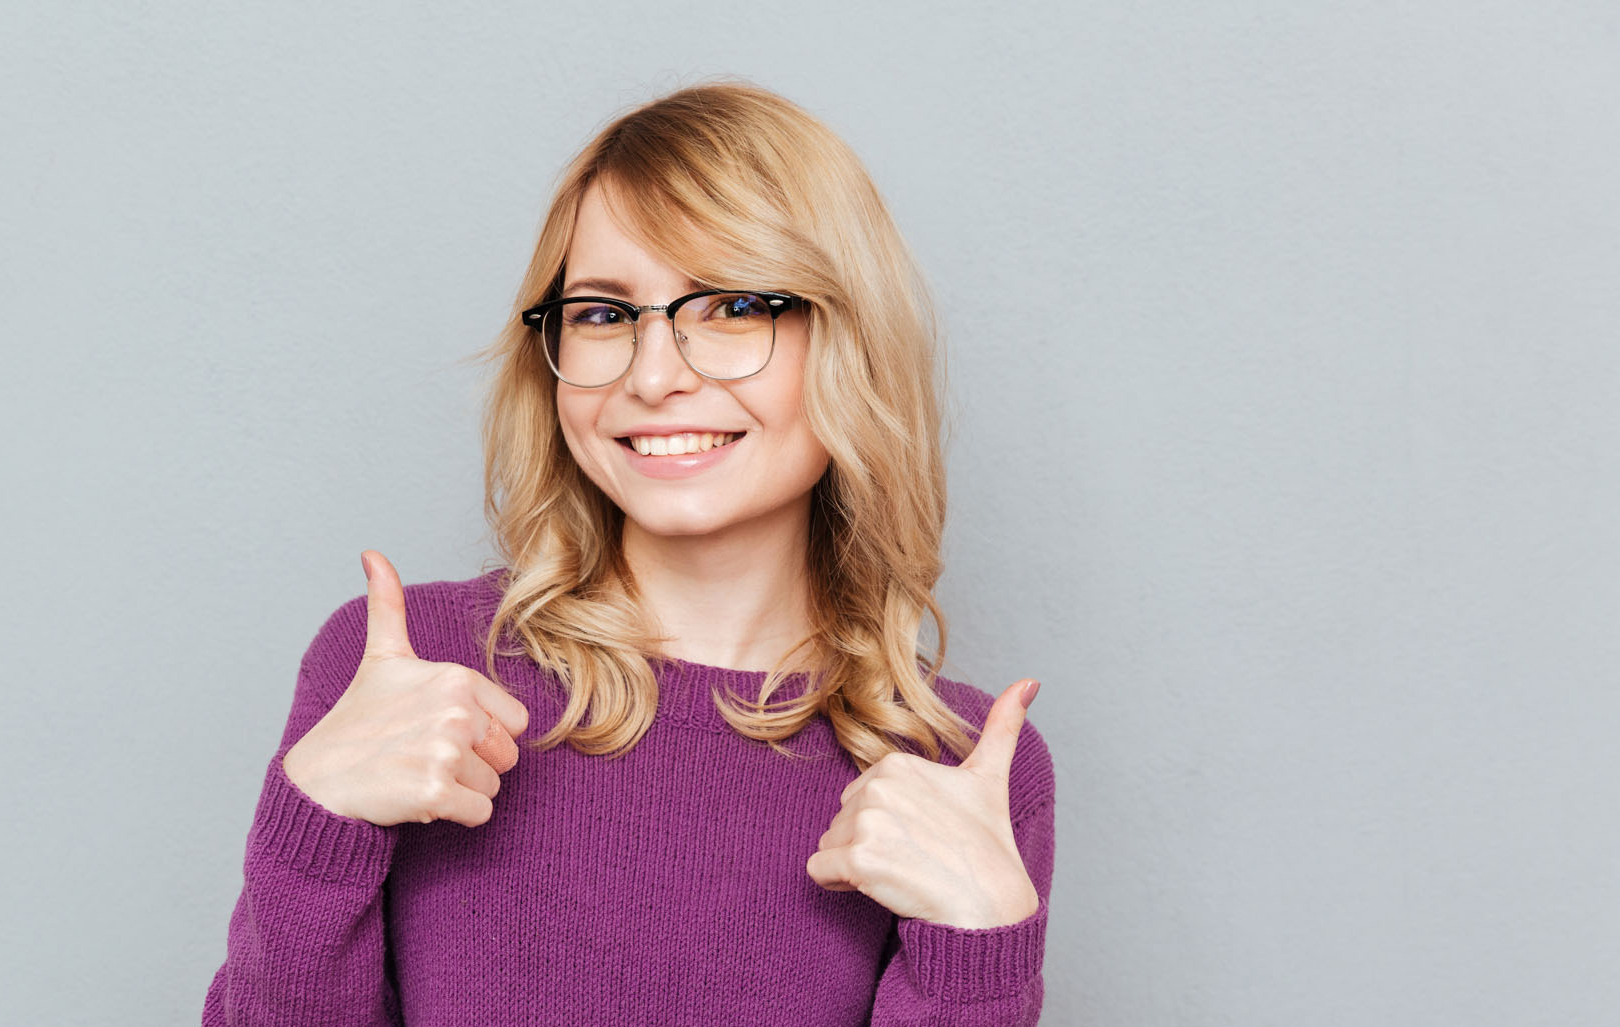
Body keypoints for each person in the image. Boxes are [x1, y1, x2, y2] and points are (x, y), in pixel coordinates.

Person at [200, 78, 1056, 1026]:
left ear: (846, 337)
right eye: (604, 315)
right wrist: (313, 828)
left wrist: (979, 955)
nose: (654, 376)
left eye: (731, 306)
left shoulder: (957, 767)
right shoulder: (407, 672)